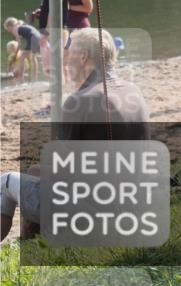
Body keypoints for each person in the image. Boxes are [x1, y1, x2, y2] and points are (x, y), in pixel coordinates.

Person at [1, 28, 151, 242]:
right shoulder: (133, 91)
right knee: (35, 172)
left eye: (68, 52)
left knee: (5, 182)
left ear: (83, 57)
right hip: (133, 202)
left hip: (97, 212)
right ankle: (31, 245)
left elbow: (63, 171)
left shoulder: (80, 101)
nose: (65, 60)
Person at [3, 18, 41, 83]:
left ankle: (21, 78)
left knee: (22, 58)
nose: (9, 31)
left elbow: (19, 43)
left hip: (32, 38)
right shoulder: (21, 25)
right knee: (33, 58)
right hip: (38, 37)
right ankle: (35, 78)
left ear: (10, 26)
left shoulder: (14, 29)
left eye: (8, 29)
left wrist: (16, 54)